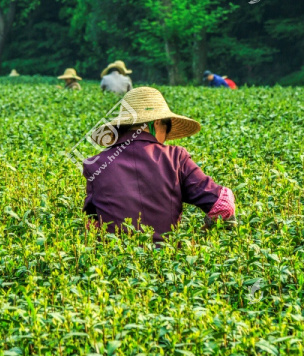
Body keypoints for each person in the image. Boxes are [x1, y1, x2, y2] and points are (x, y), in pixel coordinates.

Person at [82, 87, 236, 244]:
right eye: (167, 127)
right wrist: (196, 240)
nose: (166, 137)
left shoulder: (96, 165)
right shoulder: (176, 157)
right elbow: (224, 206)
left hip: (116, 263)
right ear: (156, 123)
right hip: (167, 263)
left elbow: (92, 225)